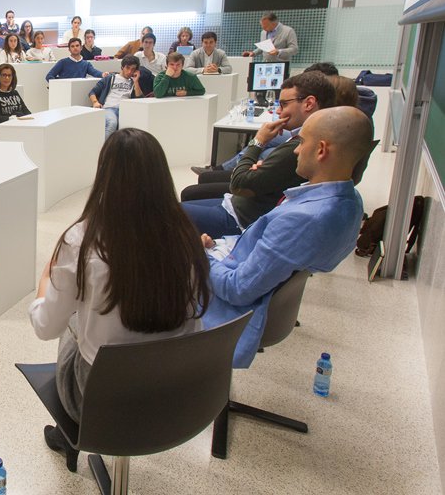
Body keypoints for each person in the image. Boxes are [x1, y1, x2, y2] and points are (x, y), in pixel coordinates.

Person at [29, 128, 210, 454]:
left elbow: (45, 327)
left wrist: (46, 282)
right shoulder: (186, 236)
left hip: (99, 400)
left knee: (70, 320)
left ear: (104, 177)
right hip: (176, 395)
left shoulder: (81, 240)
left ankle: (69, 434)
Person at [201, 107, 372, 368]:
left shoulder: (304, 220)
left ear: (321, 150)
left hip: (231, 307)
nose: (295, 150)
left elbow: (237, 289)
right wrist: (217, 247)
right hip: (242, 270)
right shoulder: (349, 202)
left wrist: (199, 256)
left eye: (302, 142)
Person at [180, 71, 336, 238]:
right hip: (238, 205)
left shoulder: (298, 149)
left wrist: (258, 141)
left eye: (283, 104)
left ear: (309, 103)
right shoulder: (319, 139)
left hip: (240, 220)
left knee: (162, 212)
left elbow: (239, 184)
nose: (278, 111)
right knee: (180, 202)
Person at [88, 55, 147, 139]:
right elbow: (92, 92)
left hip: (126, 110)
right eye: (128, 68)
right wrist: (95, 102)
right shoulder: (110, 78)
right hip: (109, 108)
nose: (130, 71)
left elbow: (140, 100)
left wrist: (136, 82)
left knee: (134, 125)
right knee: (112, 123)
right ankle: (104, 150)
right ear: (122, 67)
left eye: (133, 69)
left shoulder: (133, 82)